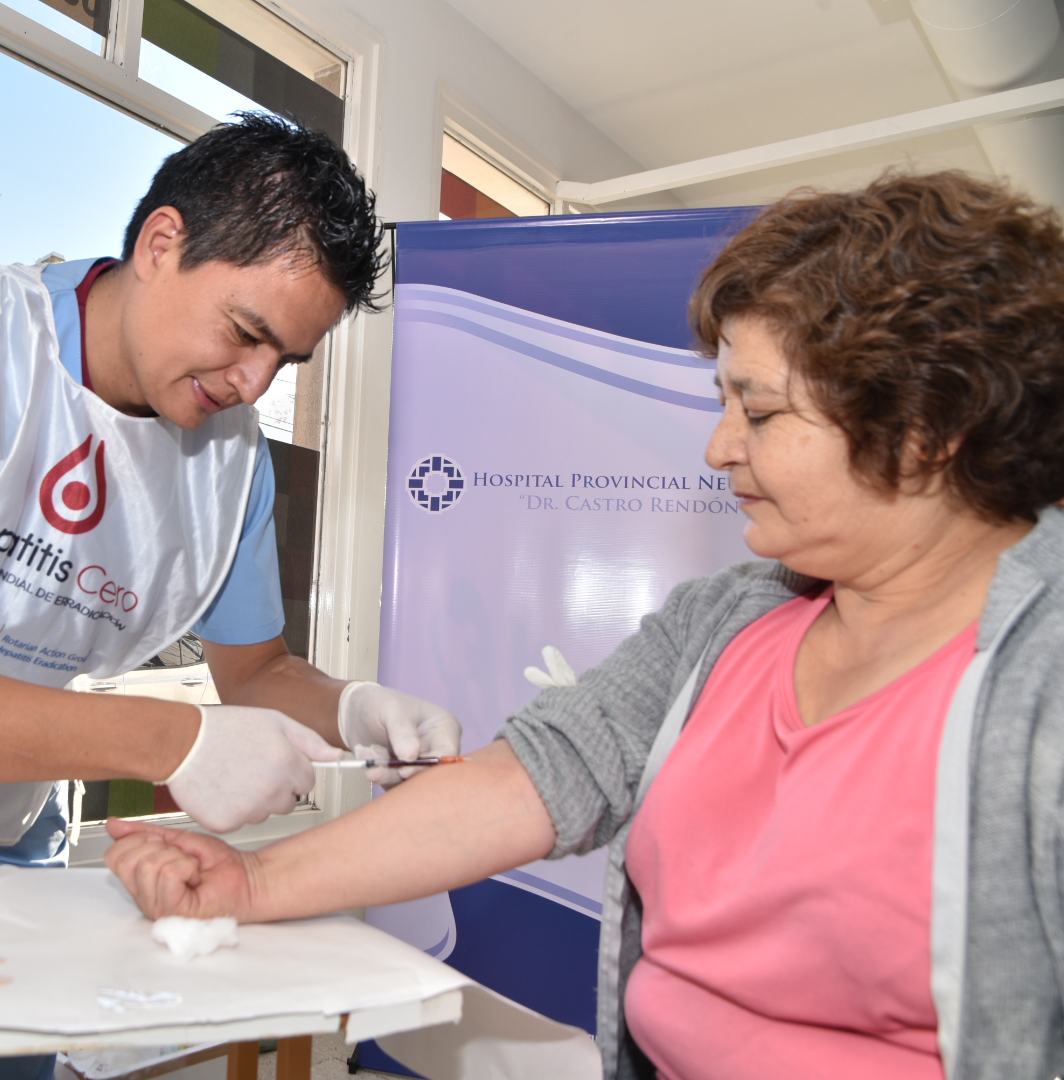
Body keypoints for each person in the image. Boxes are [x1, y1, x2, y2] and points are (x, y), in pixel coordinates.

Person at [106, 171, 1064, 1080]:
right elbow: (534, 778)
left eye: (761, 413)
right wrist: (253, 884)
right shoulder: (733, 619)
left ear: (929, 427)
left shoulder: (1043, 669)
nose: (720, 447)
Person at [0, 115, 460, 1080]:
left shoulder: (233, 469)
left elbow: (258, 672)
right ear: (161, 244)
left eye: (287, 362)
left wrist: (354, 707)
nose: (254, 381)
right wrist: (171, 745)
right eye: (246, 333)